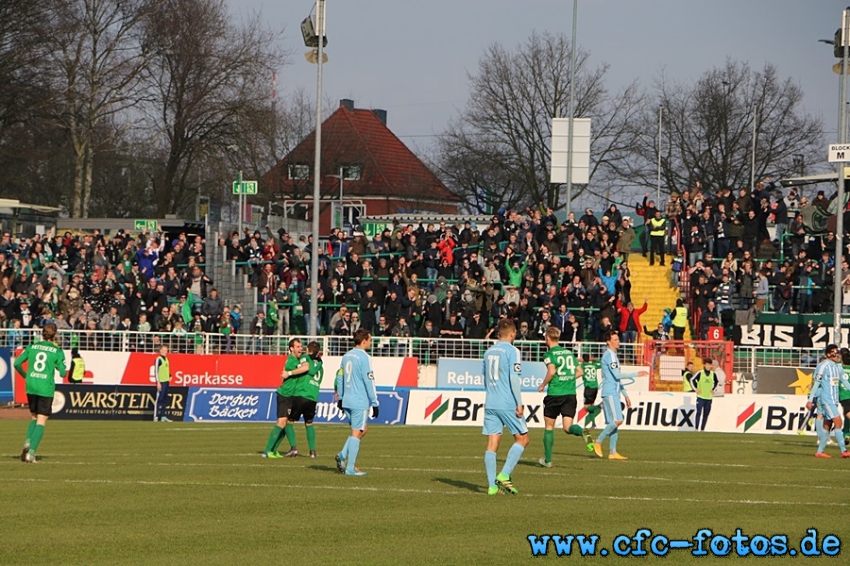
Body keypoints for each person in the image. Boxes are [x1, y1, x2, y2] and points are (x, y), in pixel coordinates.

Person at [482, 319, 529, 495]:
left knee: (492, 443)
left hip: (491, 402)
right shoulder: (513, 351)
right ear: (512, 334)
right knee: (523, 439)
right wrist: (519, 402)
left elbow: (484, 378)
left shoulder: (488, 352)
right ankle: (504, 475)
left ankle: (492, 487)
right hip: (507, 401)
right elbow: (514, 378)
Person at [537, 327, 593, 468]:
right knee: (567, 427)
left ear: (548, 338)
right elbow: (580, 371)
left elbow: (551, 371)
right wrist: (567, 378)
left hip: (555, 394)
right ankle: (582, 431)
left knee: (549, 426)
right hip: (570, 394)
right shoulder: (569, 353)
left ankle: (548, 460)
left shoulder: (549, 354)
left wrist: (543, 384)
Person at [14, 323, 67, 463]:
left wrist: (25, 375)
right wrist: (61, 366)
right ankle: (31, 453)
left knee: (33, 416)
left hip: (31, 385)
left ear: (42, 334)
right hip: (45, 387)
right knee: (42, 420)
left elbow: (16, 363)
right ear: (54, 335)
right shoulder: (57, 351)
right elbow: (62, 372)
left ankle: (27, 441)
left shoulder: (31, 347)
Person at [593, 331, 646, 460]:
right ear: (608, 342)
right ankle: (598, 441)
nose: (618, 341)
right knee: (618, 420)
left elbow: (616, 378)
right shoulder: (610, 356)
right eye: (615, 339)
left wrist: (625, 394)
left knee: (614, 422)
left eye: (618, 339)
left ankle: (612, 452)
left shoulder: (612, 356)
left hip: (612, 392)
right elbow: (617, 376)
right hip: (610, 392)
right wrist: (636, 374)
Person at [335, 329, 379, 476]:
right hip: (359, 400)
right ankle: (350, 468)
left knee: (362, 429)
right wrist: (375, 402)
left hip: (347, 399)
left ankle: (342, 455)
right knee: (356, 432)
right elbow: (369, 380)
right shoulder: (365, 358)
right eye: (370, 340)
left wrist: (340, 397)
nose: (371, 343)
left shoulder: (346, 356)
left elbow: (339, 377)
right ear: (364, 340)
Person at [262, 338, 311, 458]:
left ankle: (273, 450)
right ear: (291, 348)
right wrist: (289, 373)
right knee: (281, 422)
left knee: (285, 423)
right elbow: (305, 368)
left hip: (290, 396)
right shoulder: (291, 361)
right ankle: (267, 451)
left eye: (301, 346)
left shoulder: (295, 359)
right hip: (284, 395)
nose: (301, 348)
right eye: (298, 346)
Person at [807, 344, 850, 458]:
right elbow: (816, 383)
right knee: (838, 422)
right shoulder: (823, 366)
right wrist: (810, 400)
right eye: (833, 352)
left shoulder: (838, 367)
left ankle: (820, 451)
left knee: (827, 424)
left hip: (834, 399)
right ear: (828, 354)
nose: (836, 354)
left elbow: (844, 382)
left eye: (837, 351)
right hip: (826, 399)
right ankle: (844, 451)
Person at [282, 341, 323, 458]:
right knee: (309, 423)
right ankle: (313, 452)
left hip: (301, 394)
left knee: (289, 422)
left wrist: (290, 373)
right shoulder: (321, 366)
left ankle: (294, 448)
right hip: (313, 397)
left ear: (308, 350)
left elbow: (306, 369)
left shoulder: (305, 358)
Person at [689, 358, 719, 431]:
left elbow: (716, 382)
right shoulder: (700, 373)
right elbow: (691, 380)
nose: (709, 366)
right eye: (707, 365)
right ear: (705, 365)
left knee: (706, 414)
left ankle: (702, 429)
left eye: (710, 365)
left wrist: (713, 389)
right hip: (700, 397)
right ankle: (696, 428)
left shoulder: (713, 374)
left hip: (709, 397)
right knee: (699, 412)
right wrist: (695, 389)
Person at [580, 354, 602, 428]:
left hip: (588, 387)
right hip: (595, 387)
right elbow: (602, 364)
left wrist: (579, 360)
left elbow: (575, 365)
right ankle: (593, 423)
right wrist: (595, 360)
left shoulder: (582, 366)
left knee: (586, 407)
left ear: (583, 359)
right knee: (591, 406)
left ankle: (599, 406)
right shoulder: (594, 365)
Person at [153, 344, 172, 422]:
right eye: (163, 350)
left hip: (166, 381)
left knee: (164, 399)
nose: (165, 351)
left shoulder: (166, 359)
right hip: (161, 381)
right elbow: (156, 371)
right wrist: (158, 382)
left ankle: (163, 416)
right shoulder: (158, 359)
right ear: (160, 350)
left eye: (166, 350)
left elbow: (166, 369)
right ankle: (156, 416)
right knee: (159, 399)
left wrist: (170, 375)